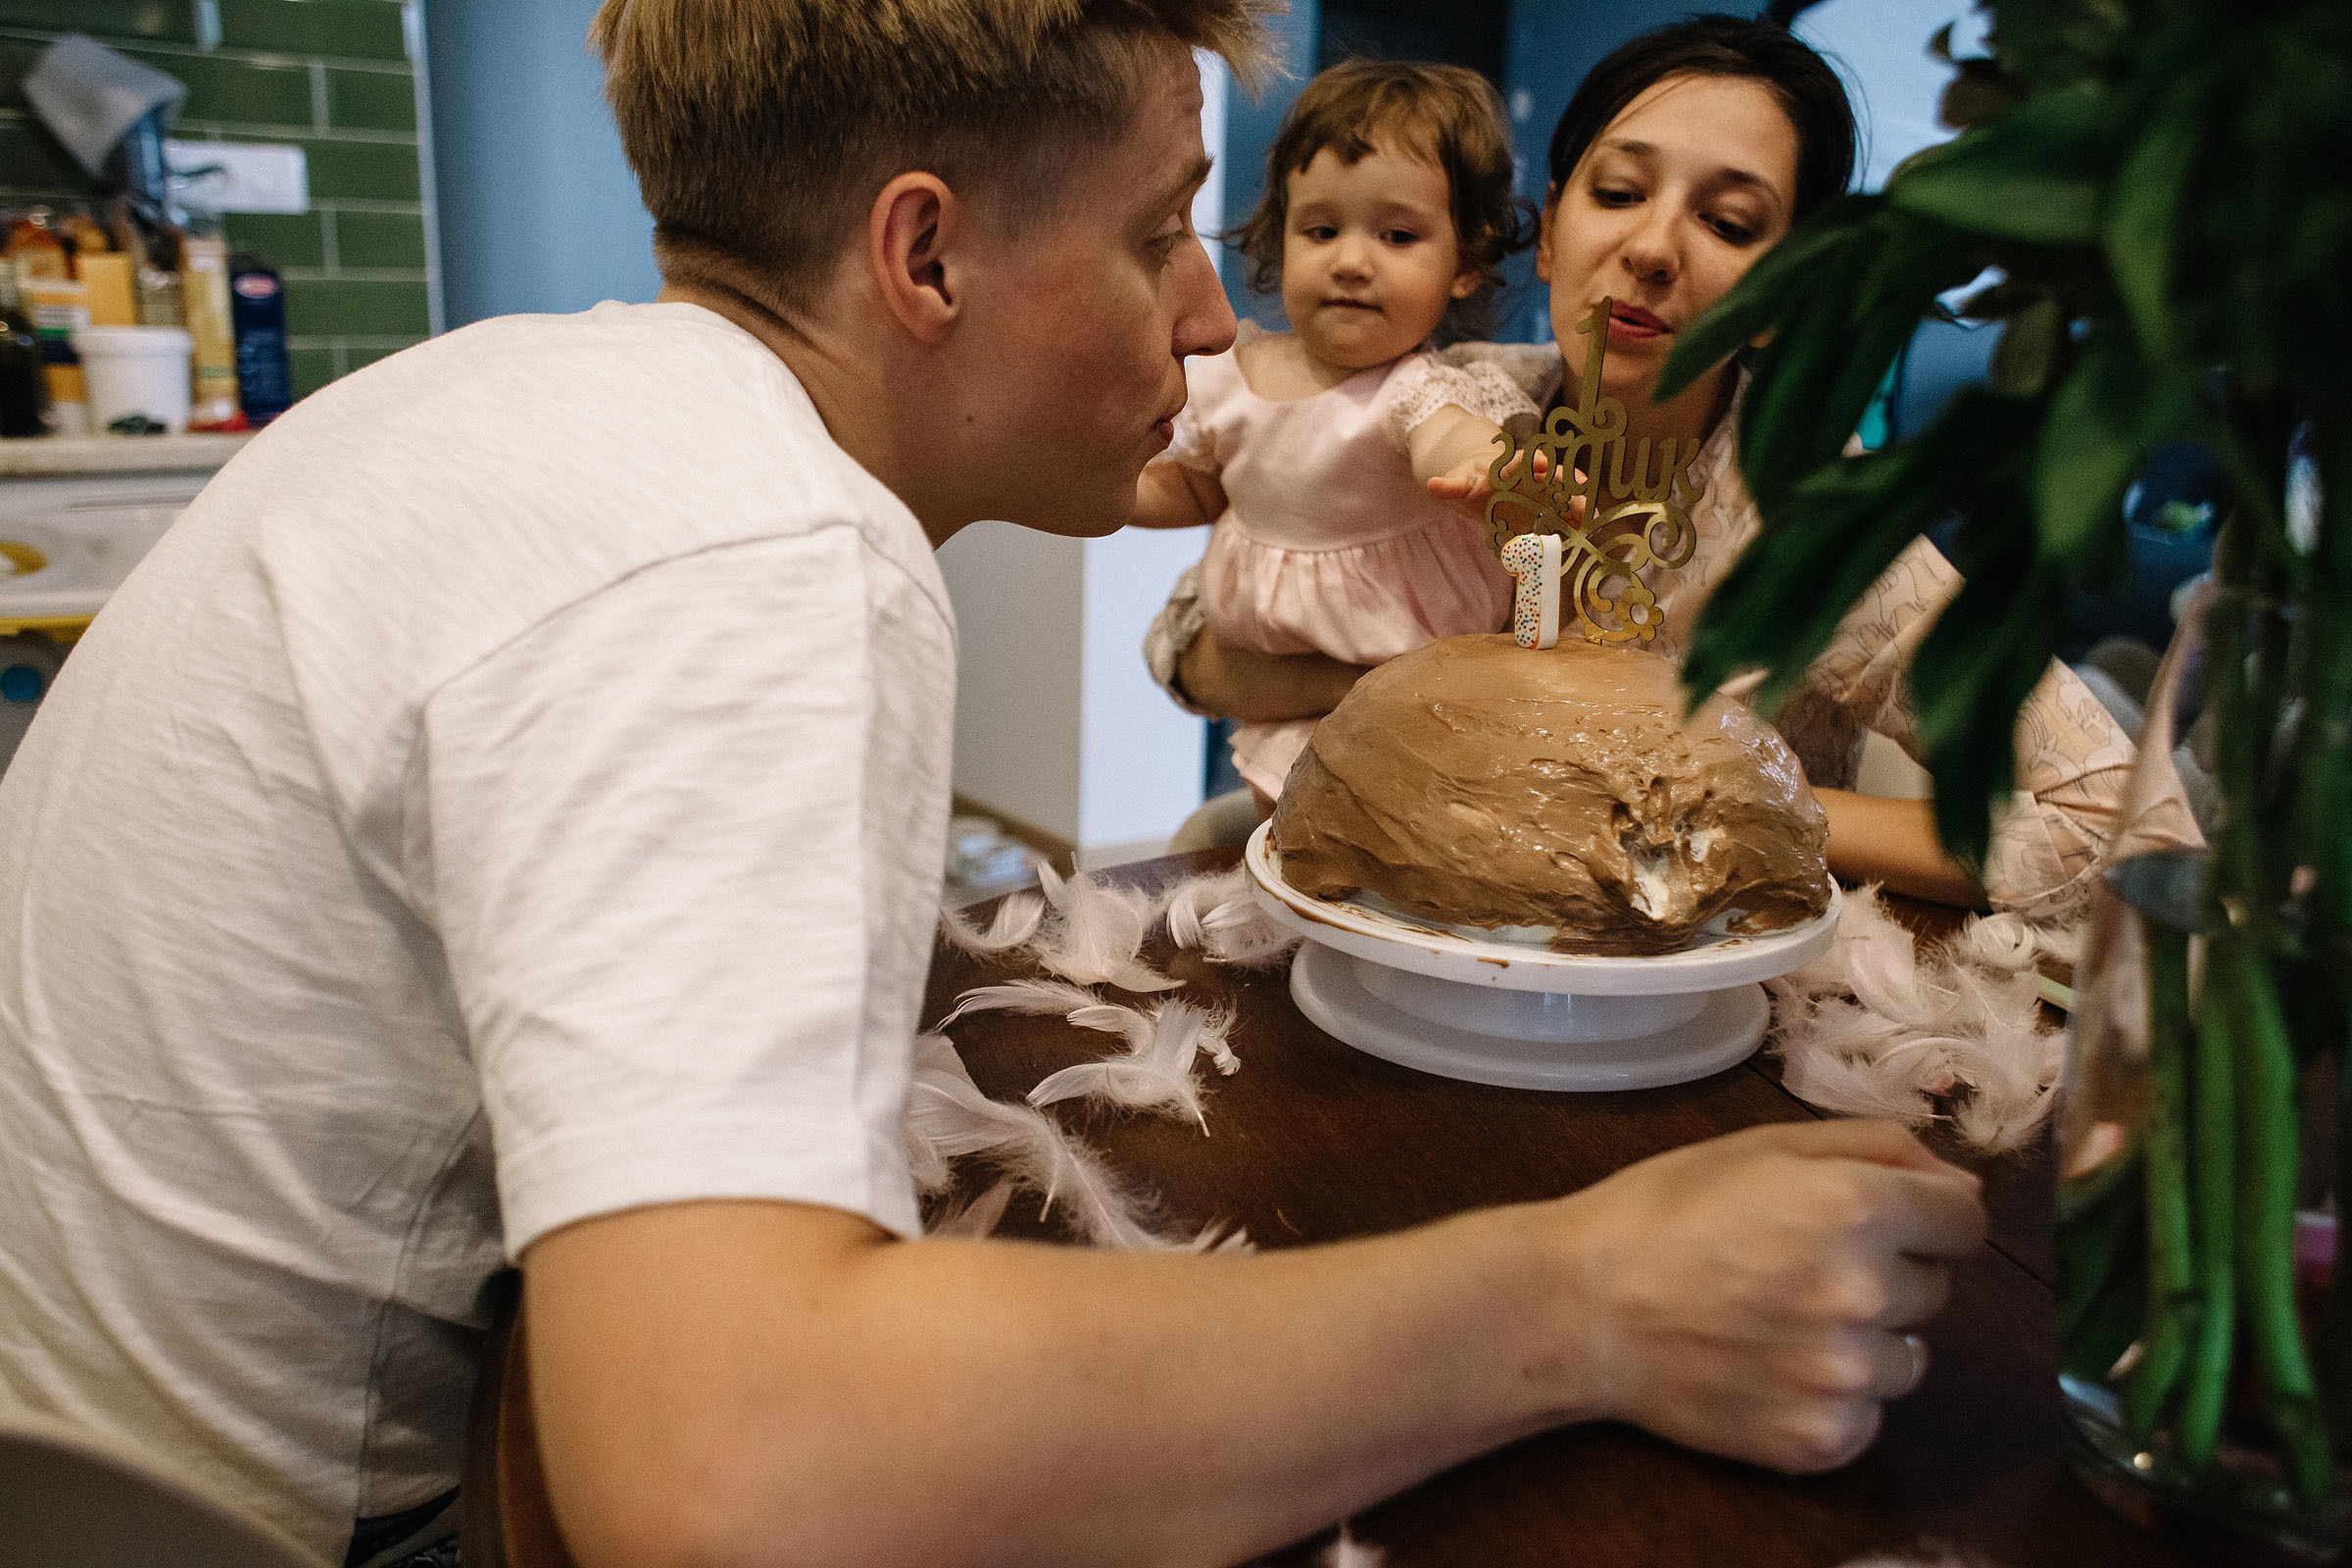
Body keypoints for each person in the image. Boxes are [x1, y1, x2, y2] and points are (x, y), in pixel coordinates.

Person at [0, 5, 1986, 1567]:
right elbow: (732, 1468)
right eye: (1155, 241)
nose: (1219, 320)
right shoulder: (754, 546)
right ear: (925, 253)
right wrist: (1598, 1294)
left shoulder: (518, 391)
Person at [1152, 15, 2191, 920]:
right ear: (1552, 233)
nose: (1652, 247)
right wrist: (1425, 694)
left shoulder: (1810, 526)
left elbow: (2117, 821)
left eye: (1728, 222)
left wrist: (1740, 797)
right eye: (1618, 192)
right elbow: (1191, 641)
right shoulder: (1441, 400)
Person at [1126, 59, 1534, 806]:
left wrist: (1486, 470)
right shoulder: (1229, 376)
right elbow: (1190, 487)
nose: (1350, 261)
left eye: (1398, 235)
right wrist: (1103, 486)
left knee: (1401, 837)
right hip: (1281, 670)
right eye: (1321, 229)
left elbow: (1445, 438)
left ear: (1466, 263)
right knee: (1276, 825)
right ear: (1282, 238)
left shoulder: (1416, 386)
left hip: (1414, 691)